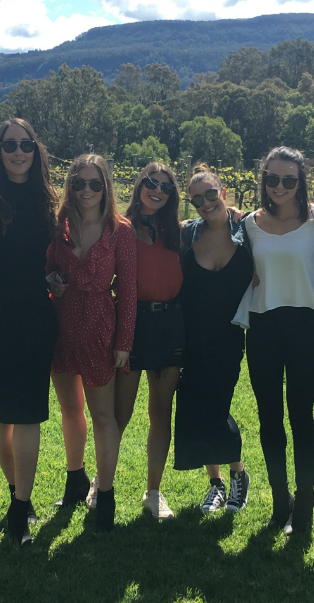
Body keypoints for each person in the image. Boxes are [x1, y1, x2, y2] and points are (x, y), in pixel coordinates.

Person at [0, 119, 59, 546]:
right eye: (10, 144)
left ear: (35, 149)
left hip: (37, 316)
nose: (18, 151)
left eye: (25, 144)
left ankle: (21, 507)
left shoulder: (48, 197)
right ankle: (14, 489)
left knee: (28, 412)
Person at [241, 146, 314, 535]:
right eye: (273, 179)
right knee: (268, 419)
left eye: (289, 179)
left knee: (301, 416)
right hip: (262, 328)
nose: (280, 186)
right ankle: (281, 502)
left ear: (301, 182)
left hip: (306, 326)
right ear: (264, 181)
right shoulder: (248, 223)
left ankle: (305, 504)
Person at [46, 154, 136, 532]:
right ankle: (74, 478)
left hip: (101, 324)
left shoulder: (120, 231)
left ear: (106, 188)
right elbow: (47, 266)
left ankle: (106, 495)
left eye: (94, 184)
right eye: (79, 183)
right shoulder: (59, 226)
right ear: (70, 186)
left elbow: (129, 290)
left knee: (103, 416)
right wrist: (53, 280)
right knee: (70, 411)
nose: (86, 190)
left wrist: (124, 342)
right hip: (62, 324)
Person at [175, 165, 252, 514]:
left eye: (210, 194)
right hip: (191, 336)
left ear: (222, 192)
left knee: (216, 407)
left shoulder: (248, 230)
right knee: (195, 405)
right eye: (196, 199)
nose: (204, 203)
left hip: (230, 335)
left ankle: (238, 474)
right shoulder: (186, 235)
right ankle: (217, 484)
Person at [113, 162, 185, 520]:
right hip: (130, 321)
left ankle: (154, 492)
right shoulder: (120, 226)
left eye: (166, 187)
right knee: (119, 412)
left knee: (161, 411)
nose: (157, 190)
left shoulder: (178, 230)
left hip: (169, 322)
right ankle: (102, 481)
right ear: (140, 183)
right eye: (151, 183)